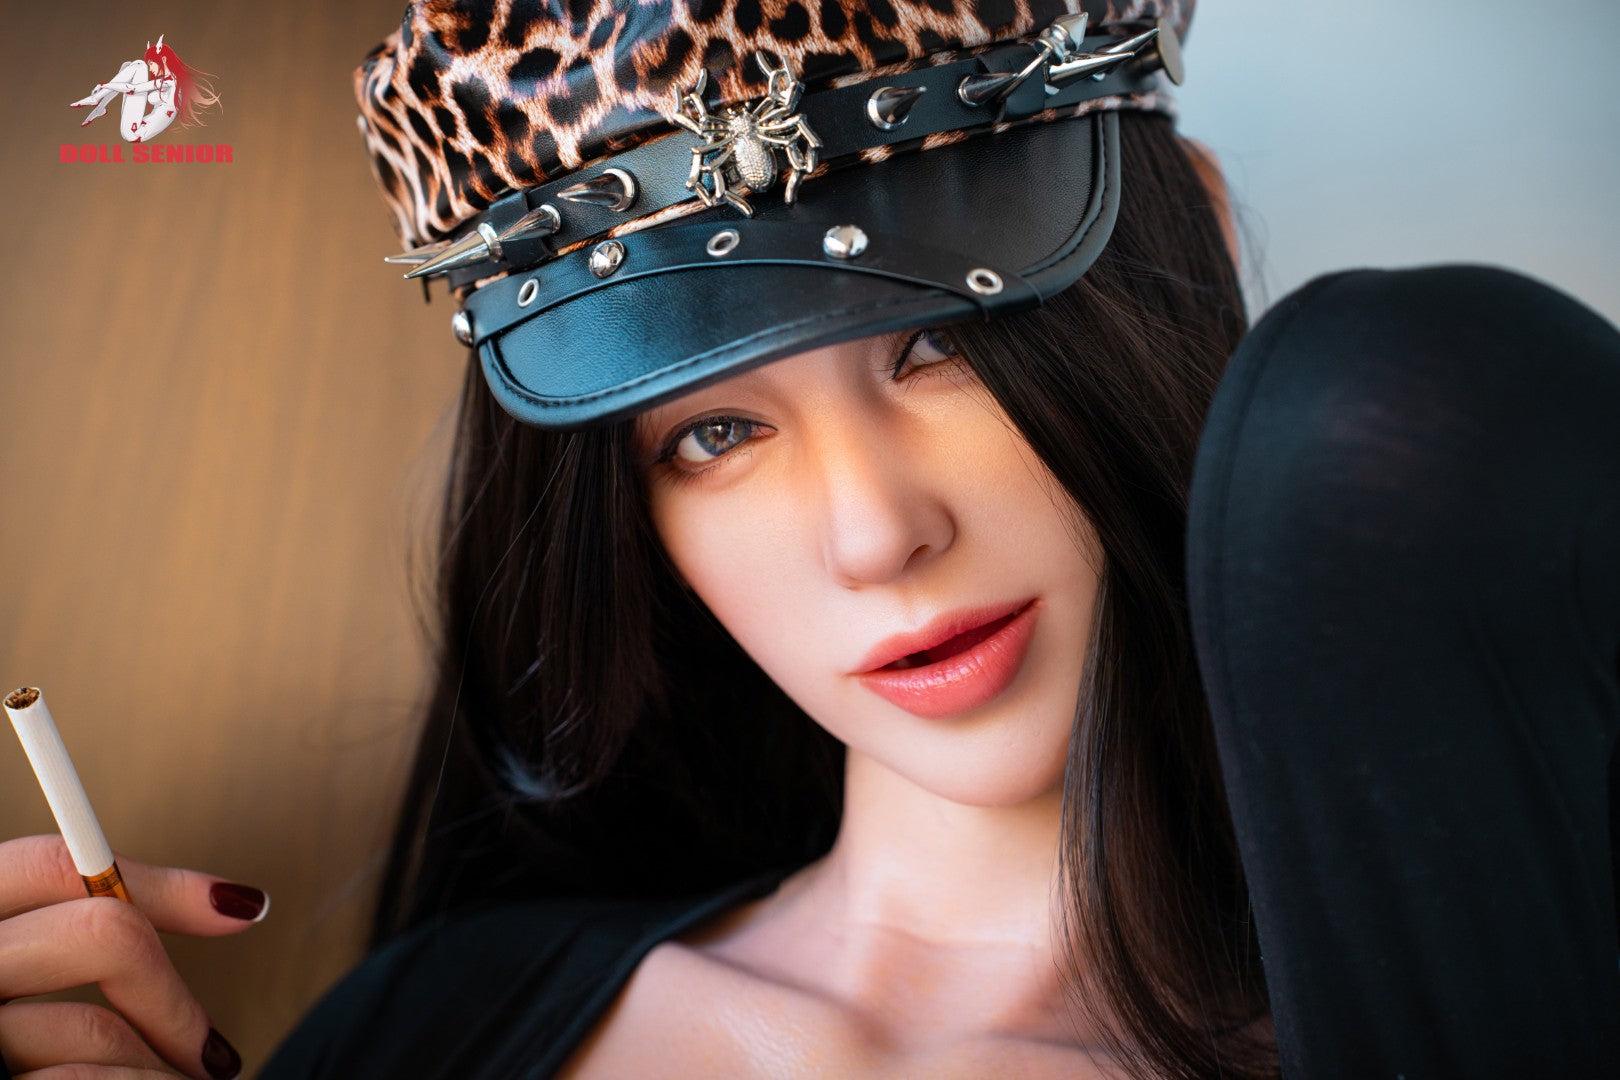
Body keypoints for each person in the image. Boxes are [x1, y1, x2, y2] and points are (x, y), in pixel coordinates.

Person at [4, 2, 1617, 1079]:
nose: (874, 536)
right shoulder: (435, 1030)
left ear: (1184, 216)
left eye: (943, 346)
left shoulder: (1486, 1010)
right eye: (713, 436)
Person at [70, 34, 221, 143]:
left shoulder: (170, 81)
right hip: (136, 128)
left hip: (134, 132)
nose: (151, 69)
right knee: (127, 65)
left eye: (151, 64)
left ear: (163, 59)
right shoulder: (170, 81)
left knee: (138, 65)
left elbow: (133, 89)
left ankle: (96, 99)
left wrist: (104, 85)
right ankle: (100, 107)